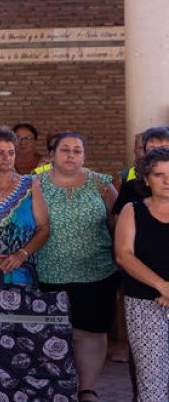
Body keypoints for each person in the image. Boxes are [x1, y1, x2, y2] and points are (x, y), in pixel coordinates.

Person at [36, 132, 118, 402]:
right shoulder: (34, 184)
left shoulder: (101, 183)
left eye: (77, 150)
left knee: (91, 332)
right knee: (54, 333)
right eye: (65, 150)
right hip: (49, 272)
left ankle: (87, 389)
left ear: (84, 155)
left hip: (97, 272)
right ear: (52, 154)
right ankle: (56, 387)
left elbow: (116, 222)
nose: (71, 155)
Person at [0, 127, 50, 353]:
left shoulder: (30, 185)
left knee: (22, 339)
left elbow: (44, 228)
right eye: (0, 153)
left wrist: (21, 254)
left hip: (20, 272)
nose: (7, 158)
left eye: (11, 152)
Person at [114, 146, 169, 401]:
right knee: (151, 381)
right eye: (159, 175)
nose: (167, 181)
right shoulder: (132, 210)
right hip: (145, 304)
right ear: (146, 179)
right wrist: (162, 286)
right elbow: (123, 255)